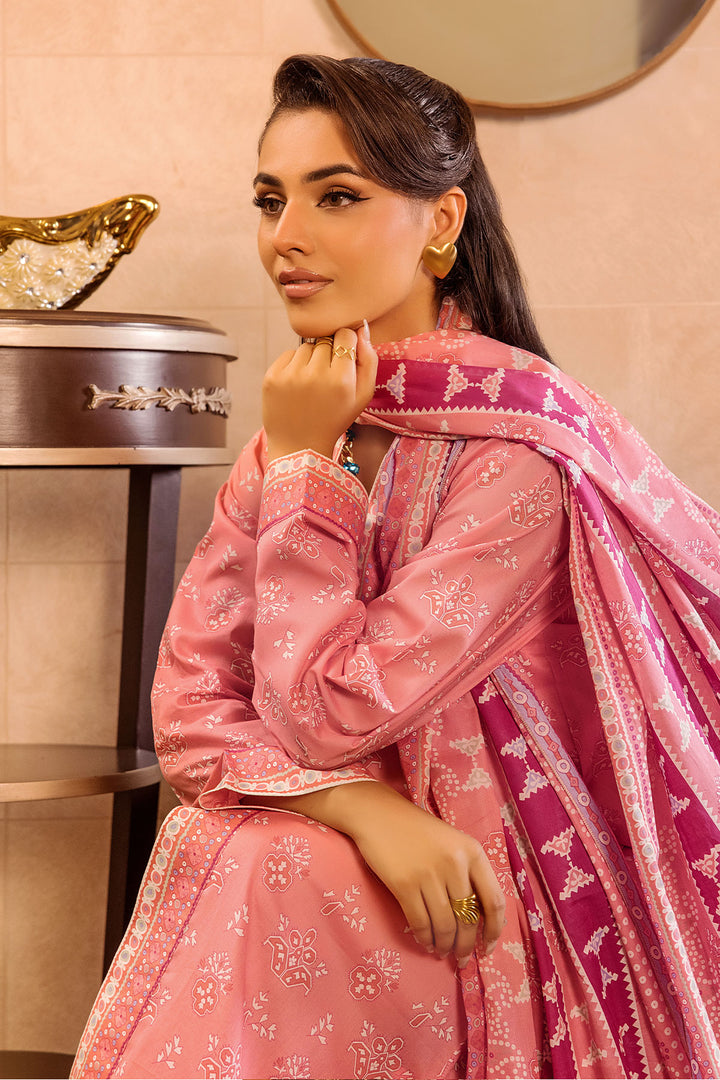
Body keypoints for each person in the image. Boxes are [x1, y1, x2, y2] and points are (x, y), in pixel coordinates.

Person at [71, 54, 720, 1080]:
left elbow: (330, 711)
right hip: (359, 837)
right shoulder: (306, 424)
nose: (286, 236)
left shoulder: (515, 452)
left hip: (499, 861)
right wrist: (357, 806)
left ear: (442, 222)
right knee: (249, 850)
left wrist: (304, 472)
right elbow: (191, 706)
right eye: (271, 200)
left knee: (257, 858)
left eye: (336, 197)